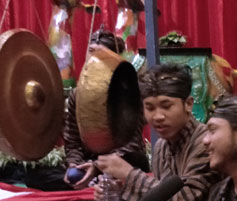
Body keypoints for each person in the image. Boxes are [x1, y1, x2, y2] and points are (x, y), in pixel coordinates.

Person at [96, 63, 220, 201]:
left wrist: (129, 175)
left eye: (166, 105)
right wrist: (120, 189)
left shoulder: (205, 142)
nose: (157, 116)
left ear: (188, 104)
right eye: (150, 108)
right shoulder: (162, 146)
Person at [23, 29, 148, 191]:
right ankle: (92, 181)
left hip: (122, 159)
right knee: (33, 176)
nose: (93, 60)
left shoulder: (128, 90)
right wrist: (76, 164)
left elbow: (132, 144)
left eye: (100, 55)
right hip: (90, 161)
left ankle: (94, 180)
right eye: (91, 54)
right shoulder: (78, 93)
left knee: (136, 164)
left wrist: (97, 166)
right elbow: (73, 139)